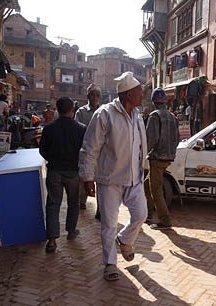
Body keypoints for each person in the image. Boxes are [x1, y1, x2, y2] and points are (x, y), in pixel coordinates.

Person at [78, 71, 147, 281]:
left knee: (141, 214)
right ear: (128, 94)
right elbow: (90, 147)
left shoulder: (138, 116)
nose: (141, 94)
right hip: (109, 180)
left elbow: (140, 146)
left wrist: (143, 166)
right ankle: (110, 263)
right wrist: (87, 177)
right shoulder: (105, 114)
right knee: (108, 224)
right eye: (138, 91)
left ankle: (125, 240)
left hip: (134, 178)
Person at [39, 97, 86, 253]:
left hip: (54, 172)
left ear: (57, 110)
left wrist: (53, 159)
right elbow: (84, 152)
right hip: (73, 173)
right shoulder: (81, 128)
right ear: (72, 109)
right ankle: (71, 232)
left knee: (53, 204)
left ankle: (52, 240)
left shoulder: (49, 128)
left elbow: (42, 150)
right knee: (73, 203)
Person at [144, 88, 179, 230]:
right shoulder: (172, 117)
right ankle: (147, 214)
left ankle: (164, 220)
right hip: (168, 157)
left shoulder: (154, 116)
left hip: (157, 158)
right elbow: (177, 138)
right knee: (147, 184)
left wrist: (141, 154)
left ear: (153, 102)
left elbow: (151, 139)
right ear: (164, 101)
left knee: (156, 189)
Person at [75, 83, 101, 215]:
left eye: (97, 95)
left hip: (101, 152)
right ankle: (81, 202)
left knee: (101, 180)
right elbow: (77, 131)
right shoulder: (81, 112)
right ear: (87, 96)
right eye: (92, 95)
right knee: (84, 177)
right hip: (86, 150)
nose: (95, 97)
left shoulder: (103, 111)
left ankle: (100, 209)